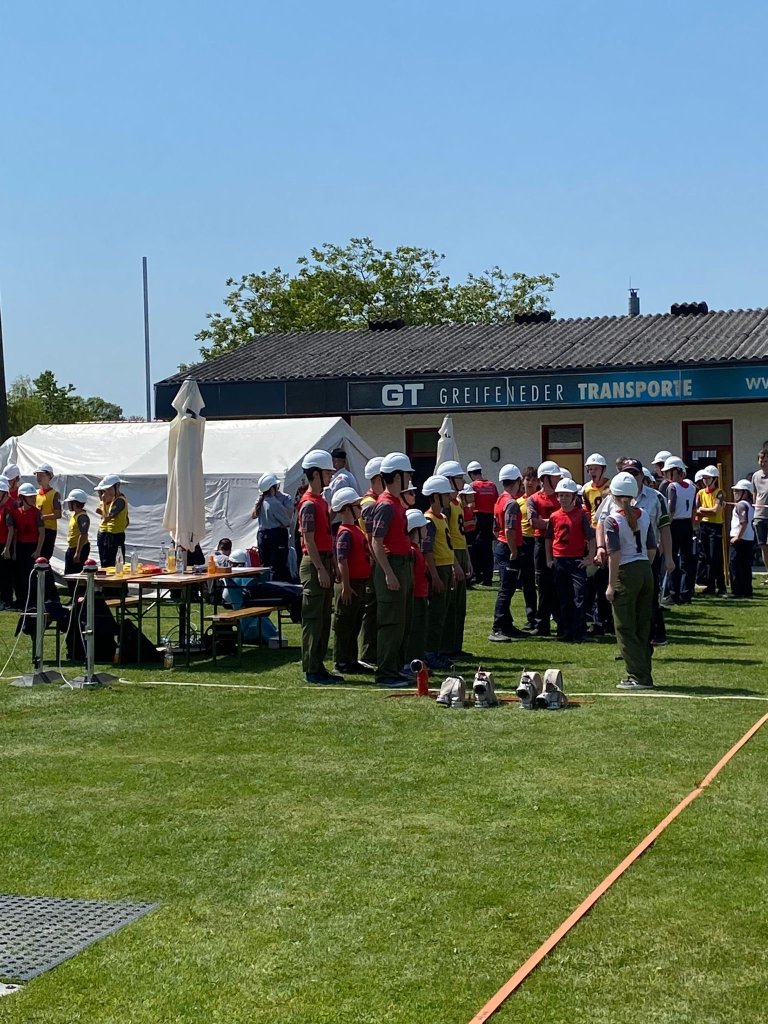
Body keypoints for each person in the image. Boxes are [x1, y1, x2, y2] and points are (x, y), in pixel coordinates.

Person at [604, 471, 657, 690]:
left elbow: (614, 554)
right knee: (642, 626)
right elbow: (652, 548)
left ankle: (638, 676)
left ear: (613, 495)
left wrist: (610, 584)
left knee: (625, 627)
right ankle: (644, 672)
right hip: (645, 568)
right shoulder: (644, 515)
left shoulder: (612, 520)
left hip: (626, 571)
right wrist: (644, 568)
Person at [371, 452, 414, 687]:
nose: (409, 478)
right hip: (392, 564)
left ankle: (394, 668)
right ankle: (385, 672)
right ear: (397, 476)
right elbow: (376, 541)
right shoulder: (386, 505)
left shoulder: (395, 503)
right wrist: (388, 572)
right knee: (390, 623)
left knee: (400, 622)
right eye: (406, 474)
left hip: (401, 564)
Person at [297, 449, 340, 684]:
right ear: (315, 474)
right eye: (327, 473)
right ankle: (311, 668)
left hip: (322, 560)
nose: (330, 476)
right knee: (314, 618)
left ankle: (318, 665)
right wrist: (321, 568)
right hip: (314, 562)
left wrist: (330, 565)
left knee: (323, 618)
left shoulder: (320, 501)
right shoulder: (309, 504)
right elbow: (309, 540)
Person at [546, 478, 595, 643]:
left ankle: (579, 631)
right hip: (559, 560)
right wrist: (549, 559)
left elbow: (591, 537)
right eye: (561, 495)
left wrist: (590, 558)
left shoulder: (581, 515)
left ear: (574, 496)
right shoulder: (554, 516)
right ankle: (565, 630)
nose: (564, 498)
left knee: (579, 596)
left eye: (567, 495)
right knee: (563, 597)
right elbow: (548, 538)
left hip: (576, 560)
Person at [331, 487, 371, 674]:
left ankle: (351, 659)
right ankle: (341, 661)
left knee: (354, 623)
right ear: (347, 509)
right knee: (344, 624)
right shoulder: (345, 532)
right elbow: (342, 560)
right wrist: (346, 586)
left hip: (358, 583)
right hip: (350, 583)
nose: (360, 509)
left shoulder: (355, 529)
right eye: (357, 506)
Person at [436, 460, 472, 657]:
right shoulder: (447, 505)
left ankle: (456, 646)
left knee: (460, 605)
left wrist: (467, 558)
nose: (462, 481)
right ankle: (446, 647)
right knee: (450, 605)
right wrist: (454, 563)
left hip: (460, 552)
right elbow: (446, 536)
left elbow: (460, 534)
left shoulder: (457, 501)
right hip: (452, 554)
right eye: (459, 477)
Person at [422, 474, 455, 669]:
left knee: (442, 613)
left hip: (445, 568)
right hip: (438, 570)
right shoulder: (429, 520)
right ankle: (429, 652)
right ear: (435, 496)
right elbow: (427, 551)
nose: (449, 498)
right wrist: (435, 576)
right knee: (435, 614)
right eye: (445, 495)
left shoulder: (441, 517)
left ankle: (436, 650)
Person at [489, 463, 524, 642]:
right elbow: (509, 529)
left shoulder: (500, 500)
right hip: (508, 547)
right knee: (506, 590)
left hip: (501, 545)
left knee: (507, 588)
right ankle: (497, 627)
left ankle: (507, 625)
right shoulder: (511, 503)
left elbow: (496, 528)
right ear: (517, 481)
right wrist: (513, 550)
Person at [527, 461, 562, 636]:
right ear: (545, 478)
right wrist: (558, 519)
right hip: (541, 544)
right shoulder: (533, 499)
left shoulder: (562, 496)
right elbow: (534, 522)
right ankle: (542, 624)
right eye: (555, 477)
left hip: (560, 544)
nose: (558, 480)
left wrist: (547, 521)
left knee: (560, 585)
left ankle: (562, 621)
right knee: (543, 585)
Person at [358, 457, 384, 670]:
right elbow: (370, 537)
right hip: (371, 562)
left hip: (374, 561)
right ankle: (367, 652)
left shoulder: (376, 501)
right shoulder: (369, 503)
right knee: (371, 608)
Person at [582, 453, 612, 635]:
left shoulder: (611, 486)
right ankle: (598, 618)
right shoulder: (586, 489)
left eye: (595, 468)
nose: (592, 472)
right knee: (595, 577)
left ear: (603, 469)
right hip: (595, 532)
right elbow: (587, 510)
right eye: (590, 469)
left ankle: (607, 619)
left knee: (607, 577)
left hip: (610, 532)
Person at [661, 456, 695, 604]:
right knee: (687, 560)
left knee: (672, 558)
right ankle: (687, 593)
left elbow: (671, 509)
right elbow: (694, 508)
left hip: (674, 524)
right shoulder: (692, 486)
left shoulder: (672, 487)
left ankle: (674, 593)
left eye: (668, 472)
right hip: (687, 524)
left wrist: (666, 524)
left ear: (676, 471)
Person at [251, 473, 293, 581]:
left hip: (262, 535)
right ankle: (277, 586)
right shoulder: (275, 503)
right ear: (272, 488)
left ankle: (266, 584)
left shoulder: (261, 502)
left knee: (265, 565)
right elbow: (287, 522)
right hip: (276, 535)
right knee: (278, 566)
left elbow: (253, 515)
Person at [11, 483, 45, 609]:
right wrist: (14, 551)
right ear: (22, 497)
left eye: (33, 496)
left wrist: (38, 550)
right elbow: (15, 533)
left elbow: (42, 533)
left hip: (32, 547)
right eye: (30, 497)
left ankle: (32, 601)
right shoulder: (16, 513)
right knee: (19, 575)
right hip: (20, 546)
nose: (33, 499)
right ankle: (21, 600)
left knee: (30, 576)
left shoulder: (37, 513)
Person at [694, 465, 726, 596]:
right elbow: (696, 511)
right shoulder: (700, 493)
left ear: (715, 479)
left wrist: (702, 510)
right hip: (704, 526)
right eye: (704, 478)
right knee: (706, 557)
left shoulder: (720, 493)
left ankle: (721, 586)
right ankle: (710, 585)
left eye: (708, 478)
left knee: (715, 557)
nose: (705, 480)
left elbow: (715, 511)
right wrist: (703, 511)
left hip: (716, 526)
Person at [403, 509, 430, 667]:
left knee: (420, 630)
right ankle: (411, 662)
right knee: (414, 631)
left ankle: (419, 661)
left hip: (421, 594)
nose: (427, 530)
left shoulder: (416, 549)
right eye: (424, 527)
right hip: (415, 596)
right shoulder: (412, 551)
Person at [467, 460, 498, 586]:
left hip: (477, 518)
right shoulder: (492, 485)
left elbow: (470, 504)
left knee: (476, 548)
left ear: (470, 474)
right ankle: (488, 577)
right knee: (487, 548)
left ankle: (477, 575)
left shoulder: (472, 486)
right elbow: (496, 503)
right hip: (490, 518)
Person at [517, 467, 539, 630]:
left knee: (543, 580)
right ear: (522, 481)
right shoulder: (518, 502)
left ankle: (545, 615)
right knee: (527, 580)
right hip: (524, 541)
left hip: (538, 540)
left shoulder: (539, 499)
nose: (530, 483)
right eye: (528, 479)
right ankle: (531, 616)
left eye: (533, 480)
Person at [95, 474, 129, 568]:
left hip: (115, 536)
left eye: (109, 489)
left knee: (115, 564)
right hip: (107, 534)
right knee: (105, 562)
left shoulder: (120, 501)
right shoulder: (113, 499)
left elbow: (107, 518)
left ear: (116, 486)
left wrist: (103, 503)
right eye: (107, 489)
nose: (107, 492)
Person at [729, 479, 755, 598]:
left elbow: (743, 522)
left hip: (740, 539)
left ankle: (737, 590)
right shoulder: (750, 505)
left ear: (745, 493)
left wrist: (737, 537)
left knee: (735, 564)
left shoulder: (741, 505)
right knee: (745, 566)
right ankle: (747, 590)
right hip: (749, 538)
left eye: (738, 491)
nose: (735, 493)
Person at [34, 463, 62, 559]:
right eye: (37, 475)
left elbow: (58, 514)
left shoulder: (54, 494)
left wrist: (43, 517)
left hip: (49, 530)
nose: (39, 478)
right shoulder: (35, 493)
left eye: (42, 475)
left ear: (50, 476)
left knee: (44, 558)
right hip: (37, 529)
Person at [63, 489, 91, 584]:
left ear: (75, 503)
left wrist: (78, 553)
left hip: (79, 549)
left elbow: (83, 535)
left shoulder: (82, 517)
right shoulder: (75, 515)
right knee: (69, 574)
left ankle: (78, 593)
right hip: (72, 548)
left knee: (76, 575)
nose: (68, 504)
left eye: (70, 502)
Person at [752, 449, 768, 581]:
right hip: (759, 516)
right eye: (761, 461)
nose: (763, 464)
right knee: (763, 546)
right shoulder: (755, 476)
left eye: (766, 461)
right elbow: (755, 494)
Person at [0, 478, 15, 610]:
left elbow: (11, 529)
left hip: (4, 544)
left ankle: (7, 600)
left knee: (5, 574)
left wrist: (7, 548)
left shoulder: (7, 510)